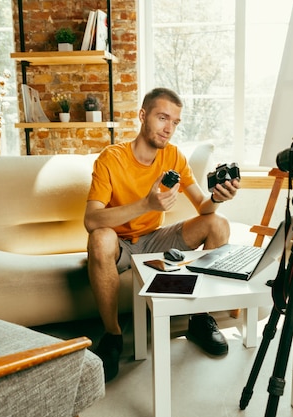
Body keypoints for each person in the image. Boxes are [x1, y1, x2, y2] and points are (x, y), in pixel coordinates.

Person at [85, 87, 241, 381]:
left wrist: (219, 197)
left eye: (175, 122)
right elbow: (91, 220)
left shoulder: (173, 156)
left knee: (218, 222)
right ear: (143, 116)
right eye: (162, 118)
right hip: (119, 245)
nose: (168, 128)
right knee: (100, 237)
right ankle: (113, 336)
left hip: (154, 239)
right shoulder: (111, 158)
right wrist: (146, 203)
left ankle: (199, 320)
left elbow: (203, 207)